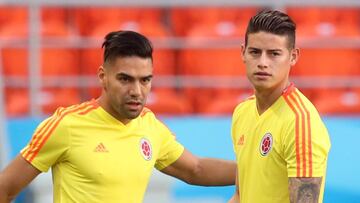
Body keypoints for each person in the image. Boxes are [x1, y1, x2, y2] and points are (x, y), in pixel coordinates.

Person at [0, 30, 236, 203]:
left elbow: (195, 169)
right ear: (103, 76)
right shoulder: (67, 125)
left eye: (145, 80)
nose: (137, 90)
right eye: (125, 79)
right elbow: (5, 188)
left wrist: (254, 168)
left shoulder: (150, 126)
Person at [228, 10, 331, 203]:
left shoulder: (301, 122)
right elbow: (240, 196)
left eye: (274, 54)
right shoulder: (242, 112)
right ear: (243, 53)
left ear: (293, 56)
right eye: (255, 52)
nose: (263, 63)